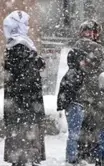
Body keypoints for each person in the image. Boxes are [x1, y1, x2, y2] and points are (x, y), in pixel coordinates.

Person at [56, 19, 104, 165]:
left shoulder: (96, 50)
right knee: (76, 133)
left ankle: (85, 156)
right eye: (87, 31)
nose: (90, 34)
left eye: (93, 31)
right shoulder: (81, 46)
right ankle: (73, 159)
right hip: (78, 98)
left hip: (92, 97)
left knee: (90, 130)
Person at [3, 10, 46, 166]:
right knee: (25, 146)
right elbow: (25, 77)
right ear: (18, 26)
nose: (28, 27)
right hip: (25, 106)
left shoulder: (15, 45)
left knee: (20, 144)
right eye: (25, 24)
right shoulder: (20, 46)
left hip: (19, 105)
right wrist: (36, 64)